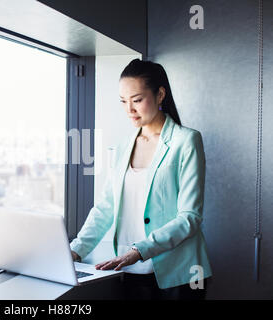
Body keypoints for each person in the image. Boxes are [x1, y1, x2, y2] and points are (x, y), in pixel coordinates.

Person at [70, 58, 212, 300]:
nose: (129, 109)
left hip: (179, 273)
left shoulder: (186, 141)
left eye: (137, 100)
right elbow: (106, 207)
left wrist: (140, 250)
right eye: (123, 101)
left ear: (160, 95)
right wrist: (75, 251)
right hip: (130, 270)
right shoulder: (122, 146)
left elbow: (190, 217)